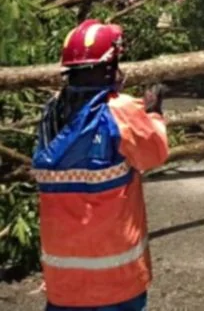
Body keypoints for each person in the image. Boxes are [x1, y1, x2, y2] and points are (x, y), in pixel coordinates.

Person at [31, 20, 169, 311]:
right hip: (117, 278)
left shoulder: (50, 111)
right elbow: (153, 154)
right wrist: (155, 114)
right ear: (109, 66)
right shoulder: (120, 110)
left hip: (63, 279)